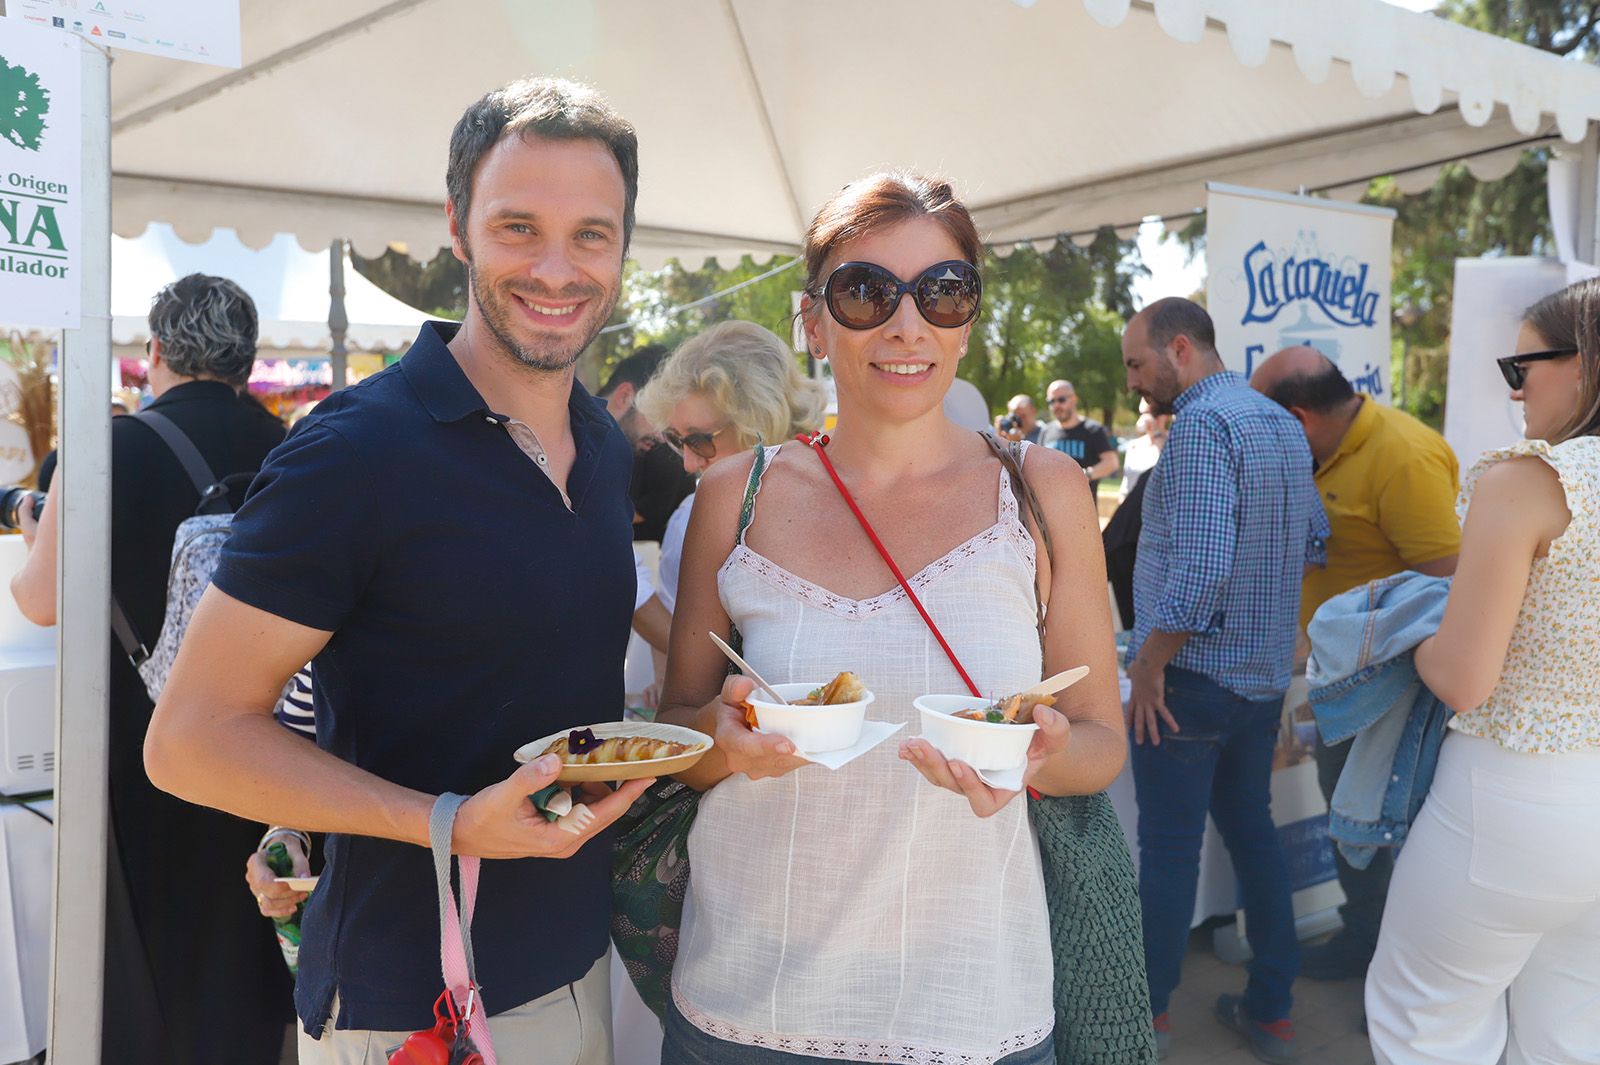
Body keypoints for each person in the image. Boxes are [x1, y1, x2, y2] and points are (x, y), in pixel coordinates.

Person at [141, 77, 655, 1065]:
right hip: (415, 1007)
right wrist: (446, 822)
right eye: (518, 227)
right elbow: (190, 741)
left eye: (592, 233)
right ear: (456, 226)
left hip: (580, 968)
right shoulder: (356, 449)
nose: (558, 268)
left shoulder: (600, 441)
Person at [655, 172, 1128, 1064]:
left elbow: (1101, 739)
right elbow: (675, 730)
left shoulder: (1042, 490)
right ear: (813, 320)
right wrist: (726, 743)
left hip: (972, 1004)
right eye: (866, 291)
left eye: (943, 292)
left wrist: (1041, 751)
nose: (907, 325)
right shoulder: (735, 492)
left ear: (970, 316)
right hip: (747, 1004)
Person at [10, 273, 292, 1065]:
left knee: (162, 951)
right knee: (261, 918)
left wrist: (38, 530)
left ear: (154, 352)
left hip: (150, 744)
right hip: (281, 735)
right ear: (249, 358)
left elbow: (40, 600)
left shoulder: (107, 449)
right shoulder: (298, 445)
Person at [1365, 279, 1600, 1065]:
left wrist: (1412, 638)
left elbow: (1464, 677)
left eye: (1522, 365)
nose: (1514, 388)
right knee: (1570, 1037)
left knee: (1424, 1027)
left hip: (1510, 799)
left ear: (1583, 364)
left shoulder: (1529, 479)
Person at [1120, 298, 1328, 1064]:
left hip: (1193, 678)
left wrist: (1148, 662)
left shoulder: (1205, 426)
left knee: (1170, 849)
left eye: (1139, 364)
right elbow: (1314, 540)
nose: (1136, 383)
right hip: (1260, 678)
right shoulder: (1276, 419)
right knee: (1252, 832)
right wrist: (1274, 626)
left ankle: (1145, 1016)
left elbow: (1201, 572)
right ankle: (1271, 1006)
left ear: (1180, 348)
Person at [1251, 346, 1460, 983]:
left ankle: (1406, 976)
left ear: (1298, 417)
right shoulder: (1320, 452)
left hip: (1396, 692)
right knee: (1350, 818)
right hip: (1343, 683)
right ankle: (1365, 945)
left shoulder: (1403, 456)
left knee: (1394, 827)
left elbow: (1452, 588)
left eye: (1268, 424)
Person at [634, 319, 828, 616]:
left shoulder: (838, 505)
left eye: (699, 441)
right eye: (675, 439)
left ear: (759, 422)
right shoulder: (691, 519)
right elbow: (674, 656)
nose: (688, 463)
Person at [599, 344, 697, 542]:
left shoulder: (642, 448)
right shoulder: (563, 432)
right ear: (625, 396)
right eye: (656, 414)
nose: (662, 436)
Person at [1040, 378, 1119, 498]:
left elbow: (1111, 463)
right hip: (1051, 508)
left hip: (1083, 508)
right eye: (1051, 401)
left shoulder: (1092, 430)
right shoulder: (1046, 431)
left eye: (1061, 400)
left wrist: (1085, 474)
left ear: (1074, 399)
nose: (1056, 405)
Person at [1117, 400, 1169, 503]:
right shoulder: (1134, 446)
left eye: (1154, 413)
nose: (1148, 418)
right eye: (1144, 413)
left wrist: (1157, 435)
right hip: (1132, 507)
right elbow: (1126, 484)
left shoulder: (1172, 442)